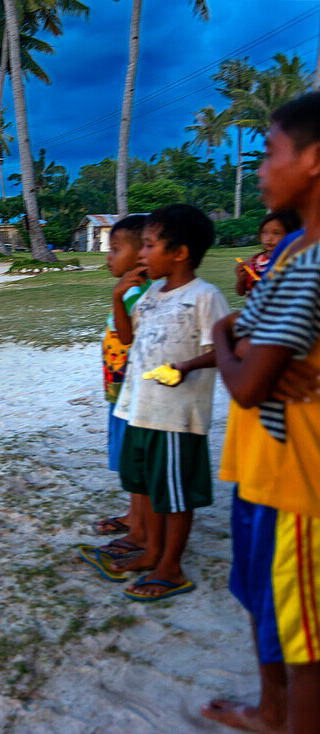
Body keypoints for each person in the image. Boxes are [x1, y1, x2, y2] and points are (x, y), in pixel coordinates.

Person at [203, 92, 320, 733]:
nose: (260, 168)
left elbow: (246, 380)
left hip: (297, 486)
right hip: (261, 470)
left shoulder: (308, 265)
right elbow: (250, 346)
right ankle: (272, 712)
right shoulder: (292, 256)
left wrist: (224, 338)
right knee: (263, 605)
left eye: (270, 152)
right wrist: (239, 342)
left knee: (304, 644)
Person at [107, 204, 229, 601]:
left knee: (175, 496)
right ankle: (153, 552)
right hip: (140, 410)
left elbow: (221, 349)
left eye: (149, 245)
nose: (141, 255)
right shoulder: (152, 293)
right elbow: (128, 340)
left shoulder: (205, 297)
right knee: (151, 487)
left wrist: (185, 365)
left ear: (180, 253)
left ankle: (171, 567)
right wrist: (118, 297)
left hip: (177, 417)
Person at [79, 215, 155, 581]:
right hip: (119, 392)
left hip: (134, 395)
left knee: (136, 463)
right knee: (128, 462)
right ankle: (133, 516)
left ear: (142, 255)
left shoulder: (140, 295)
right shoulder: (129, 292)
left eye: (115, 249)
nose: (109, 256)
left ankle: (141, 529)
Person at [235, 210, 303, 296]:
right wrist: (241, 279)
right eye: (264, 232)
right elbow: (241, 292)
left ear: (291, 235)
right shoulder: (253, 261)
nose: (269, 238)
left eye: (276, 233)